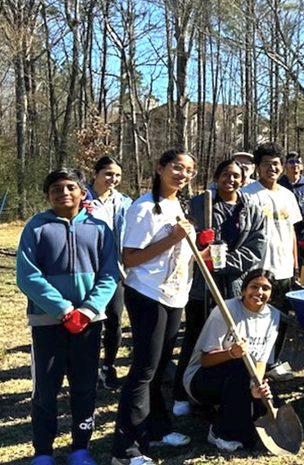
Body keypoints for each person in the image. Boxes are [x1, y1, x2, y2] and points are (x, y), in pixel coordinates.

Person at [17, 168, 119, 465]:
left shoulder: (100, 229)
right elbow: (27, 276)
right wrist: (63, 310)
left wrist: (86, 311)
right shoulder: (36, 228)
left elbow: (110, 275)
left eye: (70, 187)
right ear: (48, 195)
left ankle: (80, 448)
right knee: (46, 390)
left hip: (88, 325)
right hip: (47, 323)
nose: (64, 193)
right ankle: (43, 452)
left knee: (84, 387)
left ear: (82, 192)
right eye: (56, 189)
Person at [111, 149, 197, 465]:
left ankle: (158, 430)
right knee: (144, 371)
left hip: (175, 295)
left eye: (188, 170)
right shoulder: (144, 208)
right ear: (160, 168)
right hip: (147, 294)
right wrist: (174, 238)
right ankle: (126, 450)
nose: (182, 174)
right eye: (177, 167)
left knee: (161, 368)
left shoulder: (179, 205)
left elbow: (179, 249)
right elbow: (129, 257)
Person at [172, 158, 267, 417]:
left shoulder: (253, 209)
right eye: (226, 174)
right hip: (202, 285)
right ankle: (182, 392)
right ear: (217, 176)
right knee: (194, 337)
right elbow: (185, 240)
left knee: (229, 340)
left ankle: (221, 389)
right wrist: (202, 246)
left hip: (235, 284)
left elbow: (257, 247)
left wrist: (224, 262)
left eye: (236, 175)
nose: (231, 179)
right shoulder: (201, 204)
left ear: (244, 180)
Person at [183, 269, 280, 451]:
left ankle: (248, 422)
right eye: (254, 287)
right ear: (243, 290)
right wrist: (231, 353)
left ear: (271, 294)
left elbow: (261, 361)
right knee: (242, 370)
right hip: (202, 379)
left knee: (267, 392)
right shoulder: (225, 310)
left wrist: (257, 386)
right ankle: (220, 432)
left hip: (241, 375)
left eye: (265, 288)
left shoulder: (273, 316)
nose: (259, 292)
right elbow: (205, 360)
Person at [84, 156, 133, 390]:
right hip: (86, 268)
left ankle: (108, 366)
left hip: (115, 270)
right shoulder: (81, 198)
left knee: (114, 319)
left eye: (117, 175)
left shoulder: (124, 202)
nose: (113, 179)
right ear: (96, 173)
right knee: (90, 319)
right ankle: (87, 369)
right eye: (108, 174)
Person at [241, 142, 302, 312]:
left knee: (279, 319)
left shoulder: (288, 196)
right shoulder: (246, 194)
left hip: (284, 270)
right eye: (266, 164)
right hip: (256, 270)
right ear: (258, 167)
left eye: (275, 164)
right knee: (253, 316)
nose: (271, 168)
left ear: (282, 167)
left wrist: (295, 266)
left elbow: (291, 232)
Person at [278, 151, 304, 236]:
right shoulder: (279, 185)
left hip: (303, 231)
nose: (295, 165)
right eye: (291, 162)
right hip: (283, 229)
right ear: (285, 166)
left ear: (302, 166)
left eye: (298, 162)